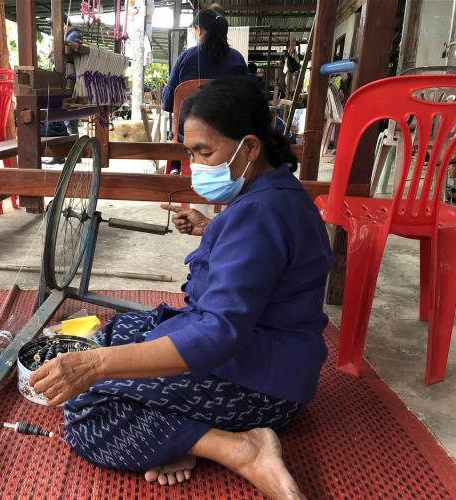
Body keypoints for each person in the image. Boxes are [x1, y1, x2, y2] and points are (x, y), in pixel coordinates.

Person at [29, 77, 333, 500]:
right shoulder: (272, 193)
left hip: (262, 386)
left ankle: (239, 449)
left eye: (205, 153)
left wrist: (96, 366)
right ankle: (182, 437)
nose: (196, 166)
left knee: (87, 409)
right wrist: (213, 229)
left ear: (249, 147)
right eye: (190, 154)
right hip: (265, 353)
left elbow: (217, 334)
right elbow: (263, 262)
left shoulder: (260, 213)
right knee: (116, 332)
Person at [163, 9, 247, 174]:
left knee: (180, 129)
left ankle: (176, 168)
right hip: (230, 134)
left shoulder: (185, 57)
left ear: (199, 30)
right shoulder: (237, 59)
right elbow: (247, 100)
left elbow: (168, 103)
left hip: (190, 136)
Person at [44, 13, 83, 166]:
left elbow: (68, 54)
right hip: (67, 75)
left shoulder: (73, 36)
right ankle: (64, 154)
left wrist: (55, 52)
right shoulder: (71, 35)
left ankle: (73, 155)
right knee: (63, 115)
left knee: (67, 113)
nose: (56, 33)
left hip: (70, 76)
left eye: (56, 29)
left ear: (63, 25)